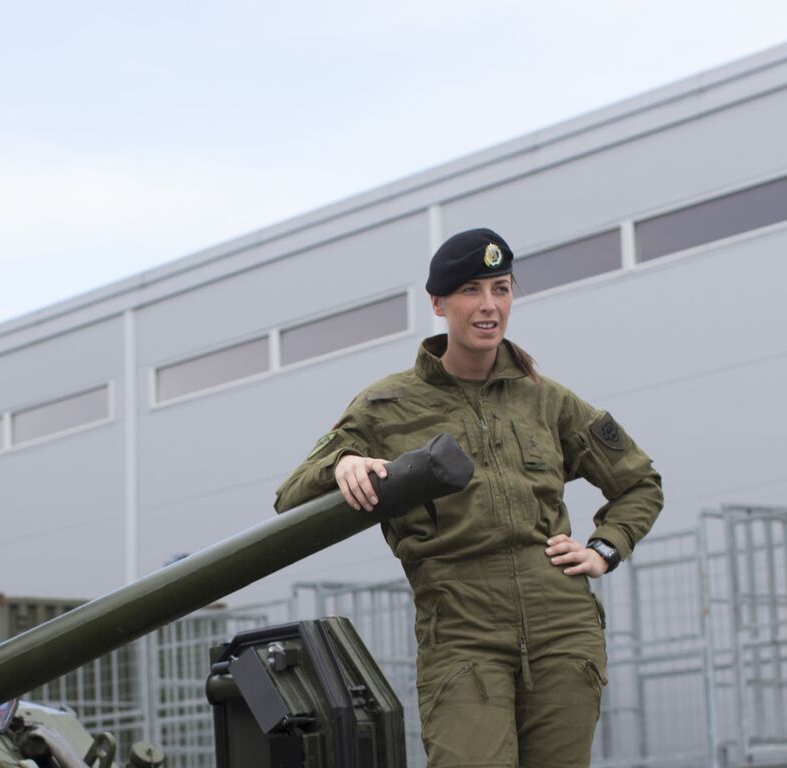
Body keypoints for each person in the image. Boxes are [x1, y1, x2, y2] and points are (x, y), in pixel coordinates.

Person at [273, 228, 662, 768]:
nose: (488, 306)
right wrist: (342, 463)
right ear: (438, 303)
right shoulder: (387, 406)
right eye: (471, 291)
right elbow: (289, 497)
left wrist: (605, 548)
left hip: (563, 630)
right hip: (461, 635)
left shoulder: (547, 400)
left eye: (501, 289)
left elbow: (639, 483)